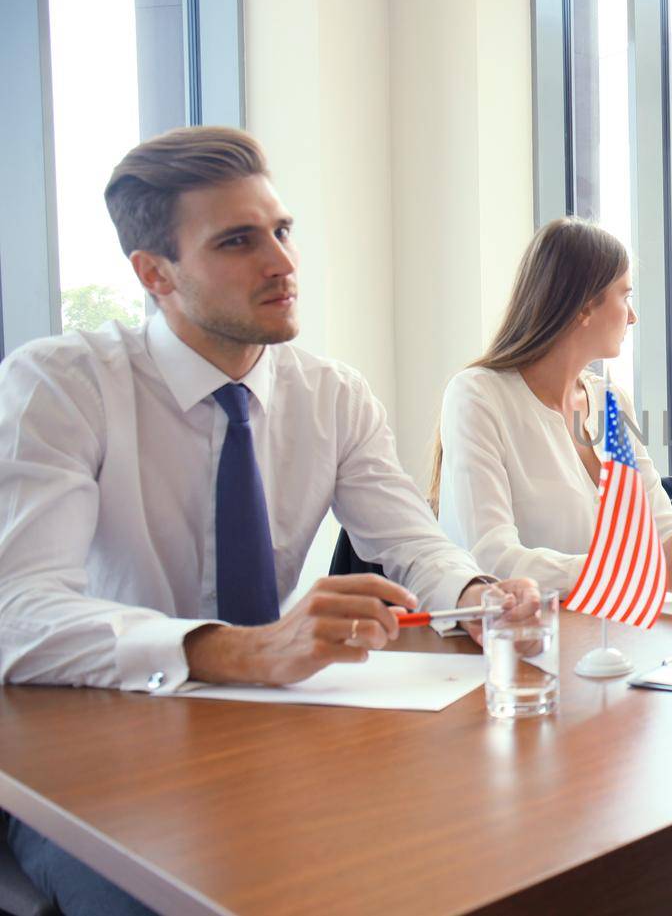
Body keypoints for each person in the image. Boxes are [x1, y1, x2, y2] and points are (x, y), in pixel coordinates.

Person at [0, 126, 531, 915]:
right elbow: (18, 612)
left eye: (282, 231)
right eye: (238, 241)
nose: (283, 263)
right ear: (155, 274)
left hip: (267, 742)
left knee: (445, 862)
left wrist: (479, 591)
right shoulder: (61, 385)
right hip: (93, 762)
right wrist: (242, 651)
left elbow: (411, 540)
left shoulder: (333, 395)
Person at [433, 217, 672, 598]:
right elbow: (492, 560)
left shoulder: (611, 401)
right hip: (518, 639)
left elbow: (659, 525)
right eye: (625, 297)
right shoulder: (477, 397)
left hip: (610, 633)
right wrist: (642, 571)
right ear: (583, 308)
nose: (633, 316)